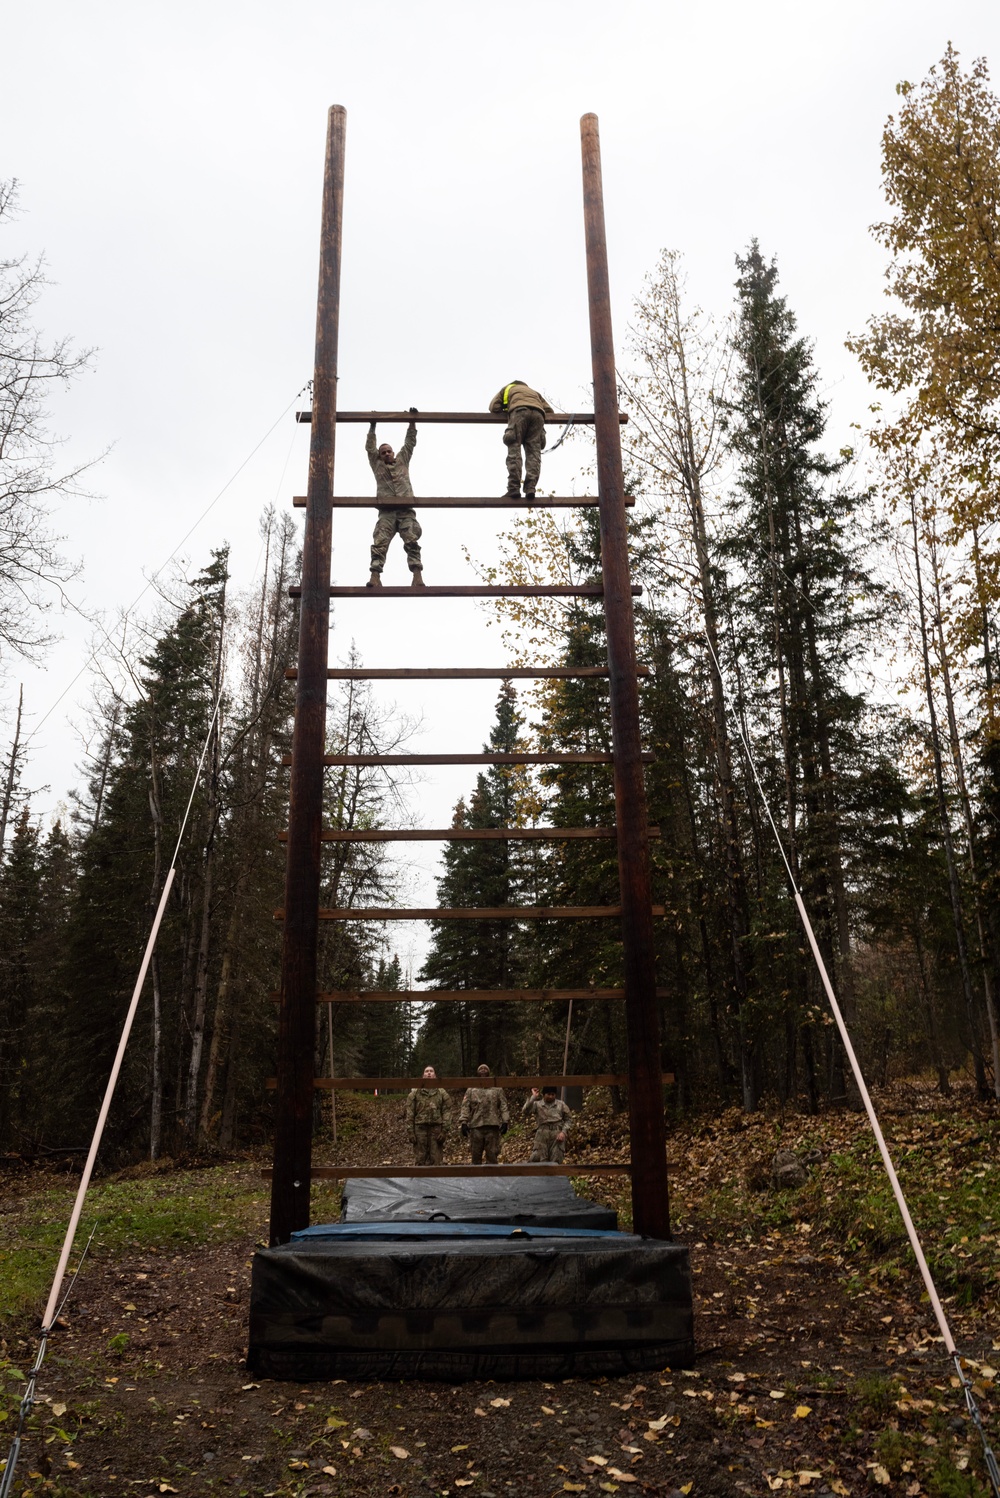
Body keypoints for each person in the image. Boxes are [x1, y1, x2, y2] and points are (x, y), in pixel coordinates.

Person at [366, 408, 425, 587]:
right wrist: (373, 425)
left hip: (406, 512)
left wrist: (412, 421)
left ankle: (417, 577)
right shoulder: (378, 466)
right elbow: (370, 448)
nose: (386, 454)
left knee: (412, 541)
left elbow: (409, 443)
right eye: (383, 452)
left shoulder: (402, 461)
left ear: (393, 452)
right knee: (379, 543)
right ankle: (375, 577)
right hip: (387, 513)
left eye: (388, 451)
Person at [488, 381, 554, 500]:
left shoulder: (507, 389)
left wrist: (507, 408)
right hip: (538, 415)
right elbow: (549, 411)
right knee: (534, 453)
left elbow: (494, 407)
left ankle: (513, 488)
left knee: (514, 447)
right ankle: (530, 488)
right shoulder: (535, 393)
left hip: (519, 412)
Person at [459, 1063, 510, 1164]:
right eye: (480, 1069)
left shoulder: (497, 1089)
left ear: (489, 1072)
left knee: (492, 1156)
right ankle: (476, 1179)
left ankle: (492, 1178)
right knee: (475, 1156)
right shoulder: (471, 1089)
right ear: (477, 1073)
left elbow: (504, 1106)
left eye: (485, 1068)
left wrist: (505, 1121)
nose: (483, 1070)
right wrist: (464, 1122)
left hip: (492, 1126)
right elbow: (465, 1106)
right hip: (476, 1127)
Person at [405, 1065, 451, 1166]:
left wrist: (444, 1131)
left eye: (431, 1071)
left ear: (435, 1075)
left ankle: (436, 1180)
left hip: (436, 1130)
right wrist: (410, 1132)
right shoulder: (415, 1092)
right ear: (423, 1075)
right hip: (420, 1129)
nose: (429, 1073)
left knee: (436, 1159)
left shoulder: (442, 1092)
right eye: (426, 1071)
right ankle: (420, 1181)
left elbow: (447, 1111)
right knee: (420, 1158)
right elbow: (409, 1113)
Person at [521, 1084, 572, 1164]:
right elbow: (525, 1111)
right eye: (548, 1094)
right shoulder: (537, 1105)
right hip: (542, 1135)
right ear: (544, 1094)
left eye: (553, 1094)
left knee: (556, 1159)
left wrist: (563, 1132)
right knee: (539, 1159)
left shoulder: (561, 1105)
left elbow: (568, 1119)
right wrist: (533, 1097)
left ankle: (555, 1176)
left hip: (557, 1135)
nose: (551, 1096)